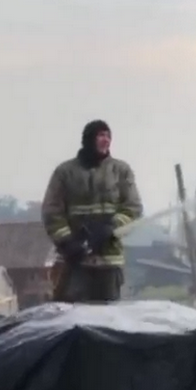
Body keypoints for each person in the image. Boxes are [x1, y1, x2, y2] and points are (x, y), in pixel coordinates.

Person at [41, 119, 143, 303]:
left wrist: (111, 227)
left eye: (108, 136)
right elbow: (51, 211)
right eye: (101, 135)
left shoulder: (121, 170)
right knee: (69, 317)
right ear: (89, 139)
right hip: (74, 262)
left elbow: (133, 207)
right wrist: (67, 242)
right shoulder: (65, 172)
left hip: (109, 262)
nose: (106, 140)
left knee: (106, 318)